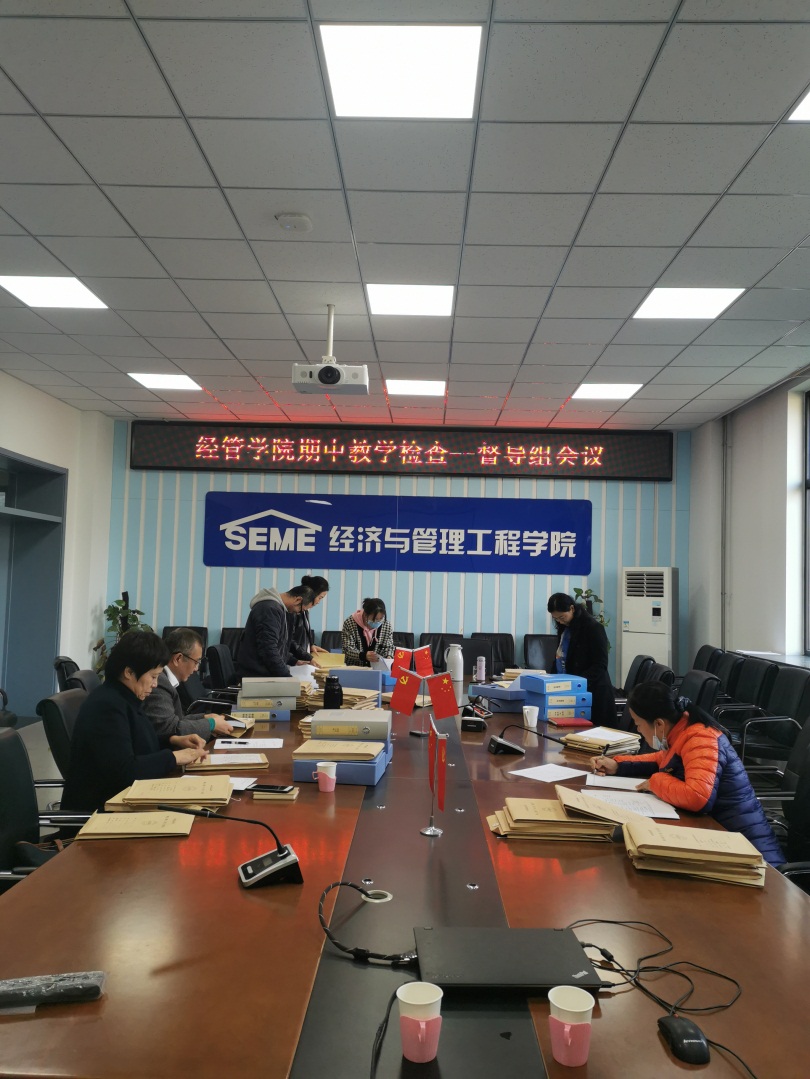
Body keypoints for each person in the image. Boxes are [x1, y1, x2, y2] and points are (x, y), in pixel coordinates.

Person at [591, 681, 785, 867]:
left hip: (754, 857)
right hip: (722, 838)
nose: (639, 730)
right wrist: (617, 765)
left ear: (658, 724)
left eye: (638, 724)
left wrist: (656, 781)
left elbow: (697, 796)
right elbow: (662, 760)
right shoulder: (682, 731)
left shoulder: (701, 738)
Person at [62, 631, 208, 812]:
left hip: (128, 799)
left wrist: (174, 740)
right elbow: (126, 771)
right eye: (153, 676)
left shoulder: (124, 697)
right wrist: (174, 757)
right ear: (129, 672)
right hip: (103, 812)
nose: (155, 684)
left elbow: (137, 742)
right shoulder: (107, 707)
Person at [142, 628, 233, 740]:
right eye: (196, 662)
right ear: (178, 658)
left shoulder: (165, 679)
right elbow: (168, 728)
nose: (196, 669)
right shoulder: (159, 682)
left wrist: (205, 717)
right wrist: (211, 724)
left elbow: (177, 719)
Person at [547, 591, 615, 726]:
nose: (559, 621)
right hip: (573, 691)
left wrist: (577, 684)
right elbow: (561, 657)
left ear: (572, 608)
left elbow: (600, 664)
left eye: (562, 617)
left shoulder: (593, 628)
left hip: (593, 692)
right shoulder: (565, 627)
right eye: (556, 618)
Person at [236, 583, 316, 678]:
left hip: (264, 673)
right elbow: (268, 650)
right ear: (298, 600)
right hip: (257, 676)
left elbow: (279, 645)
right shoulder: (269, 609)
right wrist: (288, 678)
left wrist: (294, 661)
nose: (299, 613)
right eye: (301, 610)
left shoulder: (278, 609)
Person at [287, 575, 330, 664]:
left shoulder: (305, 611)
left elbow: (302, 636)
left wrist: (310, 645)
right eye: (320, 597)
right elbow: (289, 640)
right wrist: (308, 657)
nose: (319, 602)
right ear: (312, 594)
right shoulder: (294, 611)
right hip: (293, 661)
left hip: (301, 660)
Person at [341, 597, 394, 668]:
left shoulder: (386, 625)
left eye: (381, 618)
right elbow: (347, 649)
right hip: (354, 668)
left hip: (378, 669)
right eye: (375, 619)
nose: (378, 622)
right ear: (365, 615)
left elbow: (389, 647)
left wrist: (389, 657)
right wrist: (363, 655)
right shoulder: (350, 623)